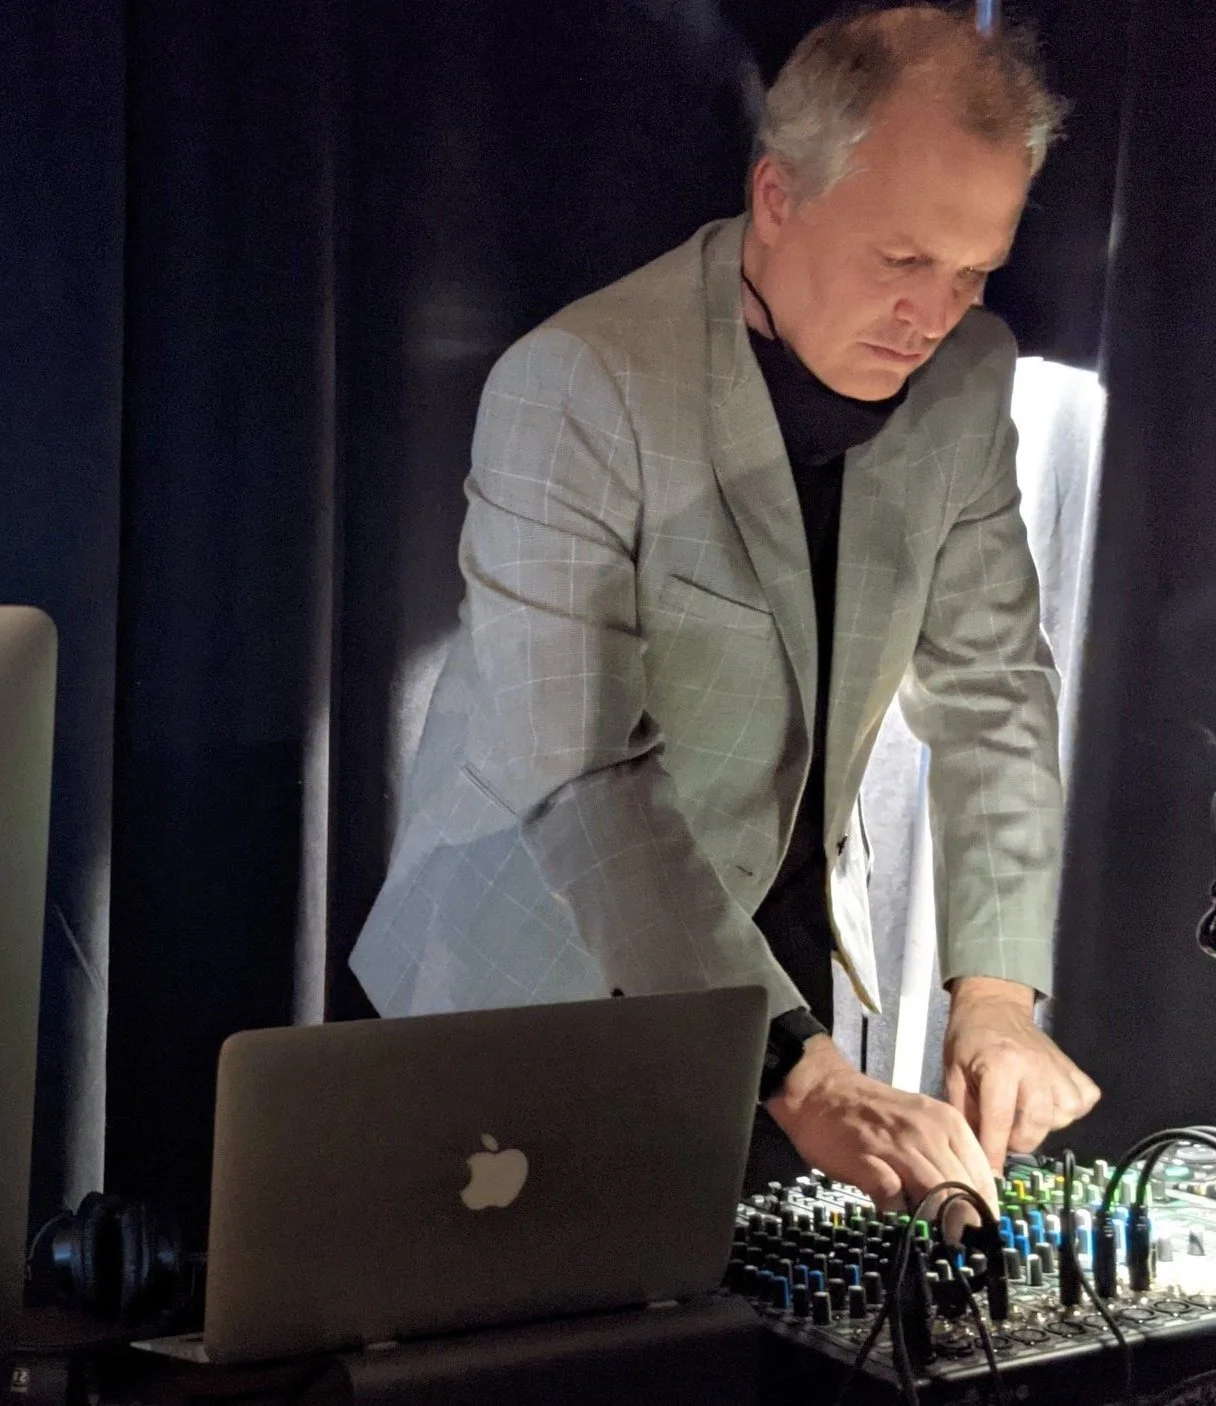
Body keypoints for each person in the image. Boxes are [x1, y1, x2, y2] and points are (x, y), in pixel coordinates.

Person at [349, 3, 1099, 1212]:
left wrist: (996, 997)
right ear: (777, 196)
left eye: (972, 272)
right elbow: (580, 772)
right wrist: (807, 1075)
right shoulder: (580, 383)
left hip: (772, 967)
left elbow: (993, 692)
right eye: (901, 261)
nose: (932, 315)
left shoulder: (968, 378)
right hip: (535, 966)